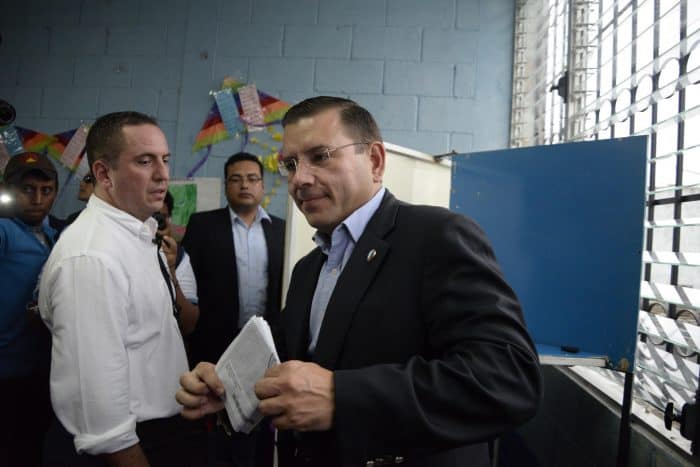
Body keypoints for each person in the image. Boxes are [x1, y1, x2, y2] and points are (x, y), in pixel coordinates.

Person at [177, 96, 543, 467]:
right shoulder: (308, 269)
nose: (299, 179)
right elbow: (292, 362)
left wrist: (342, 397)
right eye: (289, 164)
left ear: (375, 161)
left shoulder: (437, 237)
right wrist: (229, 387)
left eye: (320, 156)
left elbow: (508, 380)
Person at [39, 111, 202, 467]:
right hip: (120, 450)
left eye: (165, 160)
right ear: (103, 173)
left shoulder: (139, 235)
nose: (162, 174)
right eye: (145, 161)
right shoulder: (92, 256)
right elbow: (99, 412)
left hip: (159, 431)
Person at [181, 152, 285, 467]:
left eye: (252, 179)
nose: (245, 185)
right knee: (215, 429)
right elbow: (189, 286)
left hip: (267, 347)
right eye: (236, 179)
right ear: (226, 185)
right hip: (215, 344)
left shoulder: (282, 229)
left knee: (262, 424)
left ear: (262, 185)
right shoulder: (202, 225)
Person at [0, 151, 59, 467]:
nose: (37, 198)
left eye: (46, 190)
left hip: (41, 373)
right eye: (27, 189)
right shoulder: (4, 230)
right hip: (6, 373)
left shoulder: (54, 235)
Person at [155, 191, 199, 336]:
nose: (156, 222)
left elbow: (189, 323)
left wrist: (170, 267)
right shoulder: (121, 249)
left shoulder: (177, 256)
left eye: (161, 217)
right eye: (150, 215)